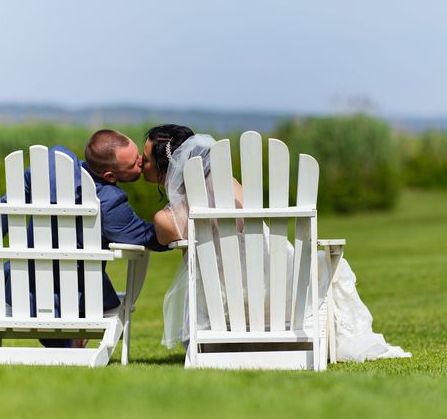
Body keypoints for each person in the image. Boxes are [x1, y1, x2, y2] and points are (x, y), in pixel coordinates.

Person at [142, 124, 411, 362]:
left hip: (220, 306)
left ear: (164, 168)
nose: (142, 165)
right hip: (280, 292)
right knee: (315, 264)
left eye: (145, 161)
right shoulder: (234, 190)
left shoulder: (166, 220)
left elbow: (165, 239)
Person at [0, 129, 169, 347]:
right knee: (85, 298)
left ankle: (68, 344)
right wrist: (176, 225)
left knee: (49, 295)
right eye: (134, 164)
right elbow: (146, 237)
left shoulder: (49, 169)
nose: (141, 161)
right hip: (79, 296)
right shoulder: (110, 201)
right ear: (109, 176)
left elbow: (16, 193)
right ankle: (72, 344)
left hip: (18, 287)